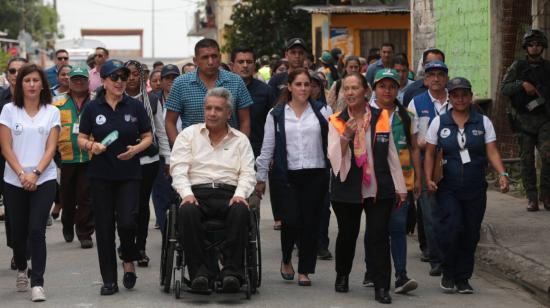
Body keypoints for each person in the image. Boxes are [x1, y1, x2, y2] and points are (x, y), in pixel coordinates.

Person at [424, 77, 510, 294]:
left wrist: (502, 173)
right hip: (448, 187)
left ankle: (463, 278)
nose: (460, 99)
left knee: (470, 232)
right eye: (455, 95)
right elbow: (430, 153)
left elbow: (491, 150)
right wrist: (428, 178)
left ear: (471, 97)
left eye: (464, 95)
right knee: (451, 228)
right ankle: (448, 272)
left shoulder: (483, 122)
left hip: (475, 187)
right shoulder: (439, 122)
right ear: (450, 98)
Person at [77, 59, 153, 295]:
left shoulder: (135, 106)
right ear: (104, 80)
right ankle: (109, 279)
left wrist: (136, 149)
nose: (121, 82)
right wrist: (92, 145)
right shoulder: (93, 107)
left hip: (129, 174)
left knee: (129, 222)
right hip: (101, 176)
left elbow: (148, 136)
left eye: (124, 77)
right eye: (115, 77)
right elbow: (80, 138)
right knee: (104, 227)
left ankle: (128, 257)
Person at [171, 87, 255, 293]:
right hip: (197, 193)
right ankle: (200, 273)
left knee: (241, 209)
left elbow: (248, 173)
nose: (212, 113)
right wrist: (186, 193)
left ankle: (231, 273)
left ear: (228, 113)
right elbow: (178, 168)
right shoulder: (188, 135)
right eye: (208, 108)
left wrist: (239, 195)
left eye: (218, 109)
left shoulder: (240, 140)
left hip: (229, 193)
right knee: (186, 210)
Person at [256, 68, 332, 286]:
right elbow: (267, 147)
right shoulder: (276, 114)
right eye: (298, 84)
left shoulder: (322, 111)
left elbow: (332, 144)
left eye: (307, 84)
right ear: (289, 87)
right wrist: (260, 179)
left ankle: (305, 270)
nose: (303, 89)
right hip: (286, 175)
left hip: (315, 173)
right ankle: (287, 257)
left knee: (310, 223)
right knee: (290, 220)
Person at [0, 64, 60, 302]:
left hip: (43, 178)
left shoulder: (51, 111)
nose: (32, 85)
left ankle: (38, 282)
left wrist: (35, 173)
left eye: (36, 80)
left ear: (42, 84)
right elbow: (5, 146)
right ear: (20, 85)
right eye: (27, 81)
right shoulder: (8, 110)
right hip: (14, 179)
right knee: (18, 233)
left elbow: (51, 147)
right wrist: (21, 174)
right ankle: (22, 267)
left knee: (36, 230)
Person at [124, 60, 170, 267]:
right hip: (122, 162)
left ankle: (139, 247)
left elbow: (160, 131)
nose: (132, 78)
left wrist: (167, 158)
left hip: (148, 161)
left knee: (141, 206)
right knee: (125, 207)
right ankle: (126, 244)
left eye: (136, 74)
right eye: (128, 74)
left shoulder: (151, 100)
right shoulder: (113, 99)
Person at [165, 38, 253, 146]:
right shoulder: (180, 83)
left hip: (229, 151)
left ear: (220, 58)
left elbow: (245, 120)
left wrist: (240, 147)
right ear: (195, 60)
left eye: (214, 56)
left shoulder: (236, 81)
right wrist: (181, 149)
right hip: (194, 152)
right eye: (205, 57)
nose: (210, 62)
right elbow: (170, 122)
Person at [407, 60, 450, 277]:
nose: (436, 78)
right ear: (425, 80)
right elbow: (418, 142)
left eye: (440, 74)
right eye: (431, 74)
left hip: (453, 164)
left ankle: (451, 255)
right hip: (426, 165)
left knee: (450, 213)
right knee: (430, 214)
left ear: (446, 79)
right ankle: (436, 259)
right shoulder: (418, 102)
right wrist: (417, 176)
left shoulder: (457, 99)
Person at [501, 29, 550, 211]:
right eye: (531, 44)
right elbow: (504, 88)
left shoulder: (548, 68)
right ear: (526, 47)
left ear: (542, 46)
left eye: (537, 44)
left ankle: (546, 194)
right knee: (527, 159)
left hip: (544, 119)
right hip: (523, 120)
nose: (534, 47)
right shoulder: (518, 67)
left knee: (548, 156)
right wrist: (522, 84)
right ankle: (531, 197)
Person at [52, 66, 95, 249]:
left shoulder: (96, 101)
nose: (79, 82)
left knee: (86, 196)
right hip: (65, 157)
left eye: (82, 79)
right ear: (69, 81)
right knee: (67, 197)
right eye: (75, 79)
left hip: (89, 157)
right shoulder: (56, 103)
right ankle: (67, 224)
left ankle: (85, 232)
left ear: (88, 81)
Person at [0, 57, 28, 271]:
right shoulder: (1, 100)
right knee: (12, 210)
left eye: (22, 71)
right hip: (5, 162)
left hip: (32, 163)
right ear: (7, 75)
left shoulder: (40, 100)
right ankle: (17, 249)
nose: (16, 75)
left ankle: (27, 247)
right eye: (12, 71)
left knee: (31, 209)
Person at [151, 64, 181, 232]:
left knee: (179, 193)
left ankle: (180, 231)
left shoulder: (184, 96)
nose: (170, 81)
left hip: (182, 151)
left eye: (174, 77)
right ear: (161, 81)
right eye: (167, 78)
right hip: (162, 153)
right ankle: (166, 232)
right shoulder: (153, 100)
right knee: (161, 194)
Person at [230, 47, 275, 158]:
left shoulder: (265, 90)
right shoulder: (223, 90)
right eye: (241, 62)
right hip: (228, 150)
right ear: (232, 65)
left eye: (249, 62)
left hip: (257, 151)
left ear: (254, 65)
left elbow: (274, 123)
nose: (245, 65)